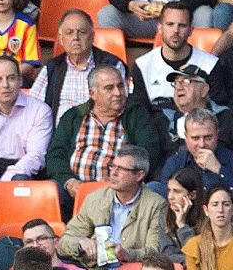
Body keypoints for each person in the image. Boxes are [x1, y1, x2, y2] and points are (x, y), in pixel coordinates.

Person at [46, 67, 168, 215]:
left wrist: (122, 181)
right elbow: (54, 155)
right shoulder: (73, 116)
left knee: (155, 189)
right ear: (93, 93)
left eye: (121, 86)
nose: (118, 93)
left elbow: (147, 154)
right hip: (75, 193)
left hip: (121, 193)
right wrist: (69, 181)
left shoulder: (137, 114)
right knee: (50, 191)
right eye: (109, 88)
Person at [59, 143, 170, 270]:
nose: (113, 173)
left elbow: (156, 251)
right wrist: (80, 243)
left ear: (139, 175)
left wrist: (128, 254)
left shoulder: (156, 205)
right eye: (113, 166)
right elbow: (64, 242)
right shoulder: (95, 199)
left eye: (121, 169)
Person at [129, 6, 223, 138]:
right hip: (157, 136)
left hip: (200, 136)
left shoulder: (210, 64)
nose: (176, 31)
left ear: (191, 30)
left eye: (182, 25)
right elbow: (139, 114)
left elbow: (219, 110)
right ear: (160, 28)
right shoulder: (142, 65)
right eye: (170, 24)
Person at [0, 55, 53, 185]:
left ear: (20, 81)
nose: (5, 85)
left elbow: (36, 155)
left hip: (23, 172)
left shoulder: (40, 111)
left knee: (20, 181)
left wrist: (5, 183)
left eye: (11, 78)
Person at [30, 9, 126, 125]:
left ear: (92, 36)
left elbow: (122, 106)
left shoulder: (112, 66)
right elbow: (33, 109)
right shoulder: (52, 68)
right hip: (60, 139)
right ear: (61, 39)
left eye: (82, 32)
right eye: (69, 32)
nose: (76, 37)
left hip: (97, 136)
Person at [159, 109, 233, 192]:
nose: (202, 144)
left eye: (208, 137)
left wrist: (219, 169)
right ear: (186, 137)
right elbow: (166, 198)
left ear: (217, 135)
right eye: (195, 138)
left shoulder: (231, 159)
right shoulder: (174, 164)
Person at [186, 185, 233, 270]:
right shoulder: (195, 245)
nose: (220, 210)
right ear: (206, 210)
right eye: (215, 204)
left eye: (226, 204)